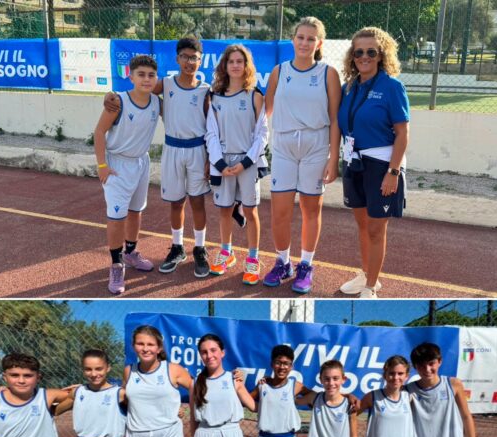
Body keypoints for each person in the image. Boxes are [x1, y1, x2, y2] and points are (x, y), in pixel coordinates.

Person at [106, 37, 210, 278]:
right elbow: (136, 91)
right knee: (176, 202)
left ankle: (200, 248)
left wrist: (210, 157)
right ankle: (177, 247)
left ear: (200, 60)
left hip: (197, 150)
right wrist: (110, 95)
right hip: (173, 149)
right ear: (177, 59)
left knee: (198, 202)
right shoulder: (167, 84)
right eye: (184, 56)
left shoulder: (206, 90)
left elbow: (212, 125)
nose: (189, 61)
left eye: (194, 57)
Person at [264, 16, 340, 294]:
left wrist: (334, 158)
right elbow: (265, 111)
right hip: (284, 145)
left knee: (311, 209)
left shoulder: (327, 73)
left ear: (319, 43)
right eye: (300, 37)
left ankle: (306, 265)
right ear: (293, 39)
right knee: (279, 212)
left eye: (311, 38)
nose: (305, 42)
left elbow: (335, 119)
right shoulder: (279, 71)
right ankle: (282, 261)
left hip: (315, 145)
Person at [338, 27, 410, 298]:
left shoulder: (392, 86)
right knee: (362, 224)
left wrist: (393, 171)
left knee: (377, 227)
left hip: (381, 165)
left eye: (371, 52)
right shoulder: (350, 87)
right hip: (354, 162)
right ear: (352, 56)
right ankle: (367, 274)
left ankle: (371, 288)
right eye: (359, 52)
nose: (364, 57)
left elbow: (403, 133)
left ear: (381, 55)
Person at [94, 54, 160, 295]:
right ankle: (116, 263)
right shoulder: (118, 102)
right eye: (140, 74)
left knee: (136, 211)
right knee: (116, 216)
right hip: (117, 164)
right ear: (130, 76)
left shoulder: (156, 102)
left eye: (151, 75)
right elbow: (99, 132)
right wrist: (102, 165)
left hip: (141, 162)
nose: (146, 79)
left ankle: (131, 252)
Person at [205, 44, 268, 285]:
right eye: (231, 61)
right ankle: (226, 252)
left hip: (247, 162)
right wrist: (219, 162)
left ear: (246, 65)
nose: (235, 65)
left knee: (250, 211)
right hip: (223, 163)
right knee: (224, 209)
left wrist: (245, 162)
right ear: (225, 65)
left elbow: (262, 133)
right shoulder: (215, 96)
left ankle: (252, 258)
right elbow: (210, 133)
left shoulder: (255, 95)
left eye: (239, 61)